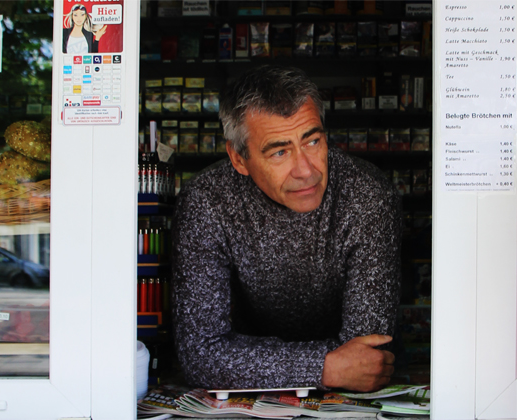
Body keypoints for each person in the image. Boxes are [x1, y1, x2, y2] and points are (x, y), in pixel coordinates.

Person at [172, 65, 401, 393]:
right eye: (279, 151)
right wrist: (323, 367)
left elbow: (366, 361)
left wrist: (252, 364)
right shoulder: (207, 200)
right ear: (239, 159)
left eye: (312, 141)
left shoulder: (366, 194)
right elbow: (200, 354)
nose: (306, 170)